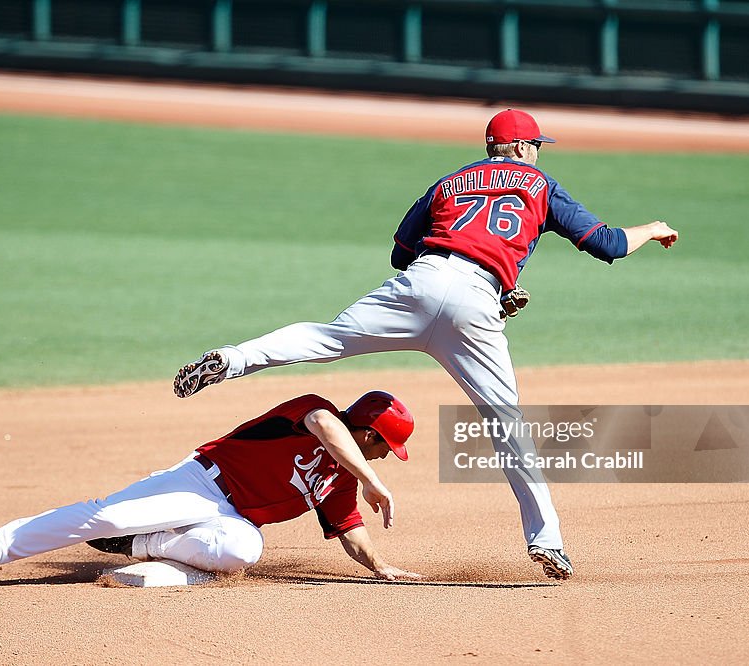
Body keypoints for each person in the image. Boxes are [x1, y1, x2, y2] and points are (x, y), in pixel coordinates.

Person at [173, 109, 679, 580]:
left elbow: (400, 250)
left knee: (324, 338)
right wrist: (653, 229)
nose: (539, 153)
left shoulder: (450, 181)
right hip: (476, 307)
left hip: (421, 280)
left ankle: (231, 359)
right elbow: (606, 244)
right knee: (508, 425)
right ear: (522, 148)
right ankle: (547, 541)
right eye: (537, 146)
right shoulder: (541, 184)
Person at [0, 391, 420, 581]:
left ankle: (142, 543)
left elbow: (348, 528)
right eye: (386, 447)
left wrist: (381, 566)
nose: (386, 456)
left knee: (243, 552)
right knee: (107, 514)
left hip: (235, 519)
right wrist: (373, 479)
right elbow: (324, 424)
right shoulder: (316, 411)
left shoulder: (340, 482)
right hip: (201, 483)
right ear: (367, 434)